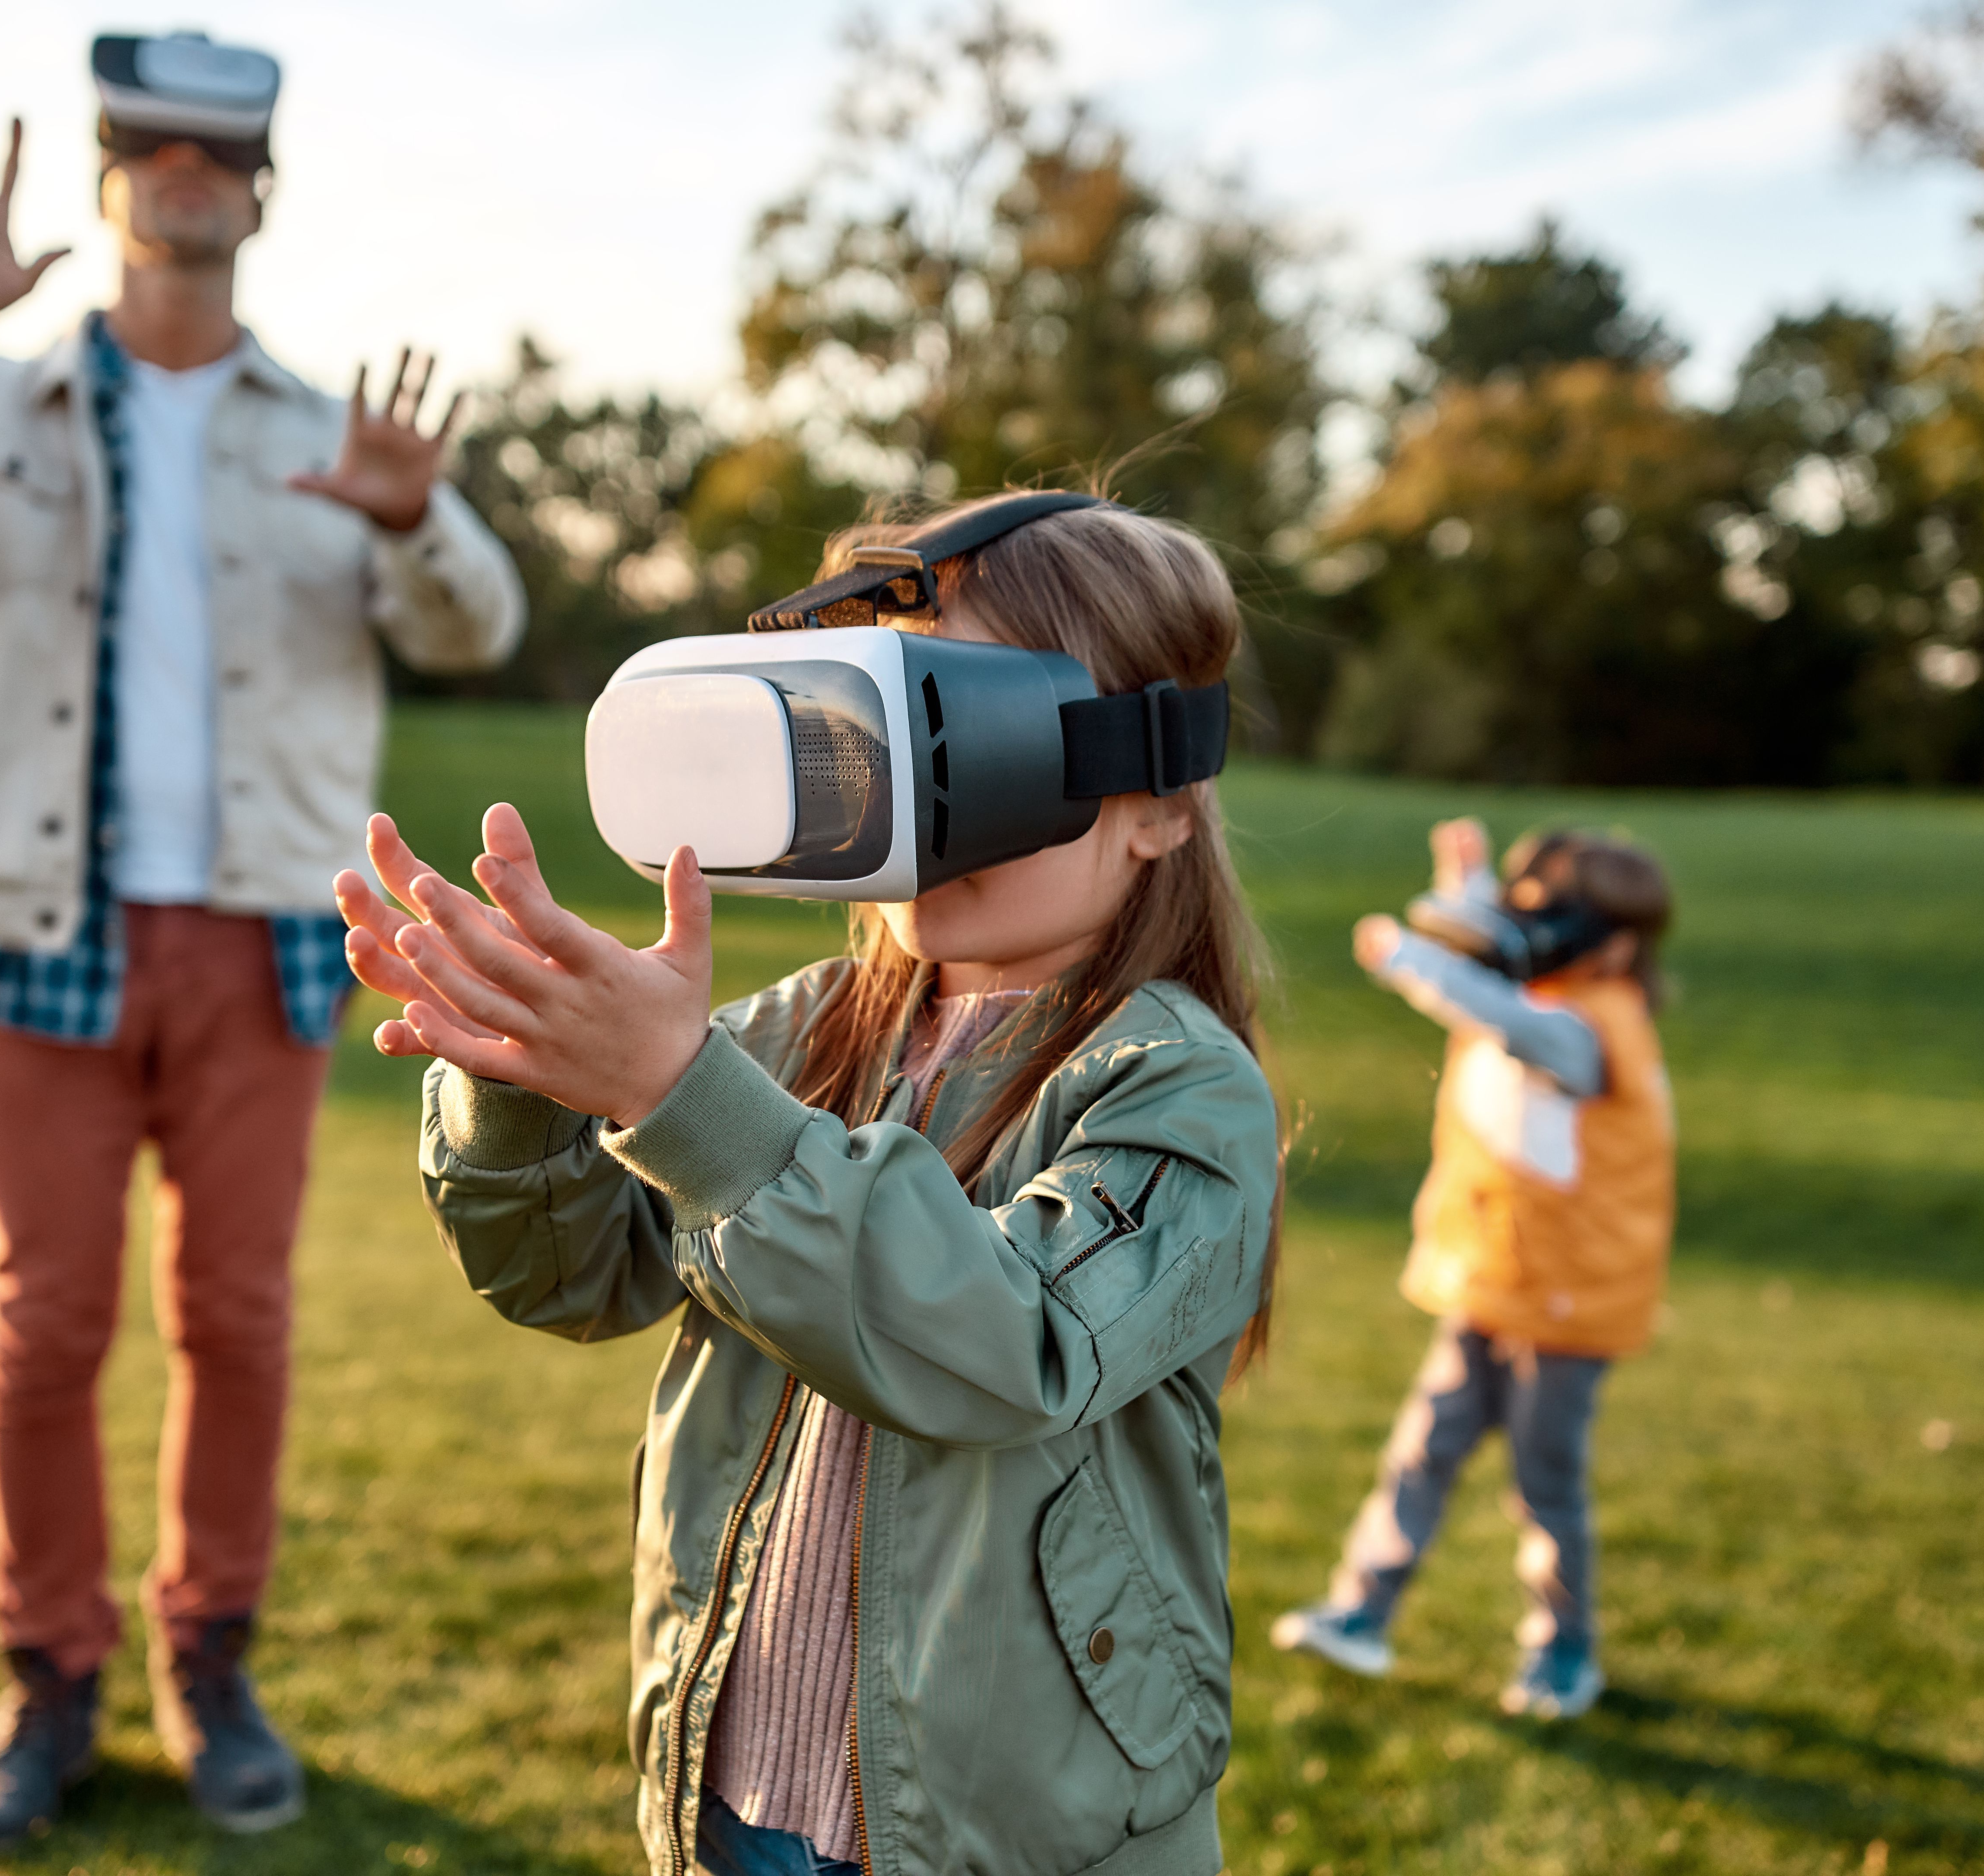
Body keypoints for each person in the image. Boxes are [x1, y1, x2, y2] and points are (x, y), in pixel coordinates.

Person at [0, 33, 527, 1849]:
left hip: (261, 932)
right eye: (150, 141)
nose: (185, 169)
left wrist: (413, 518)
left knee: (239, 1320)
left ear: (259, 190)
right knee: (40, 1327)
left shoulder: (326, 430)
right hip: (33, 933)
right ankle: (44, 1684)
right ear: (110, 175)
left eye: (219, 148)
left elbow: (475, 627)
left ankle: (213, 1664)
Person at [338, 495, 1282, 1876]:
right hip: (736, 1793)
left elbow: (1008, 1347)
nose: (908, 792)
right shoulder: (801, 1032)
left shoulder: (1176, 1085)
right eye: (867, 735)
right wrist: (523, 1070)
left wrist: (685, 1100)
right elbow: (576, 1275)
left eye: (958, 727)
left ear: (1156, 802)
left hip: (1014, 1835)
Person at [1270, 819, 1675, 1720]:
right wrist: (1466, 882)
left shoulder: (1588, 1030)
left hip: (1568, 1306)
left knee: (1545, 1482)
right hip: (1495, 1278)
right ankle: (1361, 1613)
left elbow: (1491, 1006)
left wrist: (1409, 960)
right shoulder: (1555, 993)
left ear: (1612, 944)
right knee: (1423, 1452)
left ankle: (1564, 1651)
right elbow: (1492, 948)